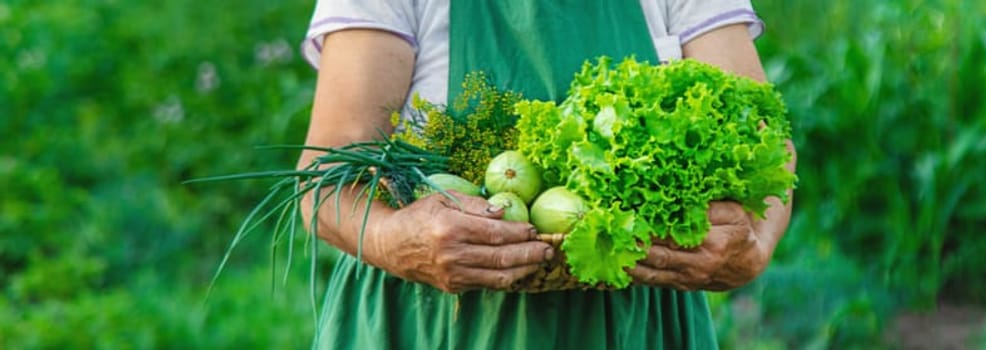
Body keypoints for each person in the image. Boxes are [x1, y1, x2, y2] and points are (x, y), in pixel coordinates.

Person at [294, 0, 793, 348]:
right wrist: (391, 236)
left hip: (634, 326)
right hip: (432, 323)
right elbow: (326, 173)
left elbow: (761, 137)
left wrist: (755, 244)